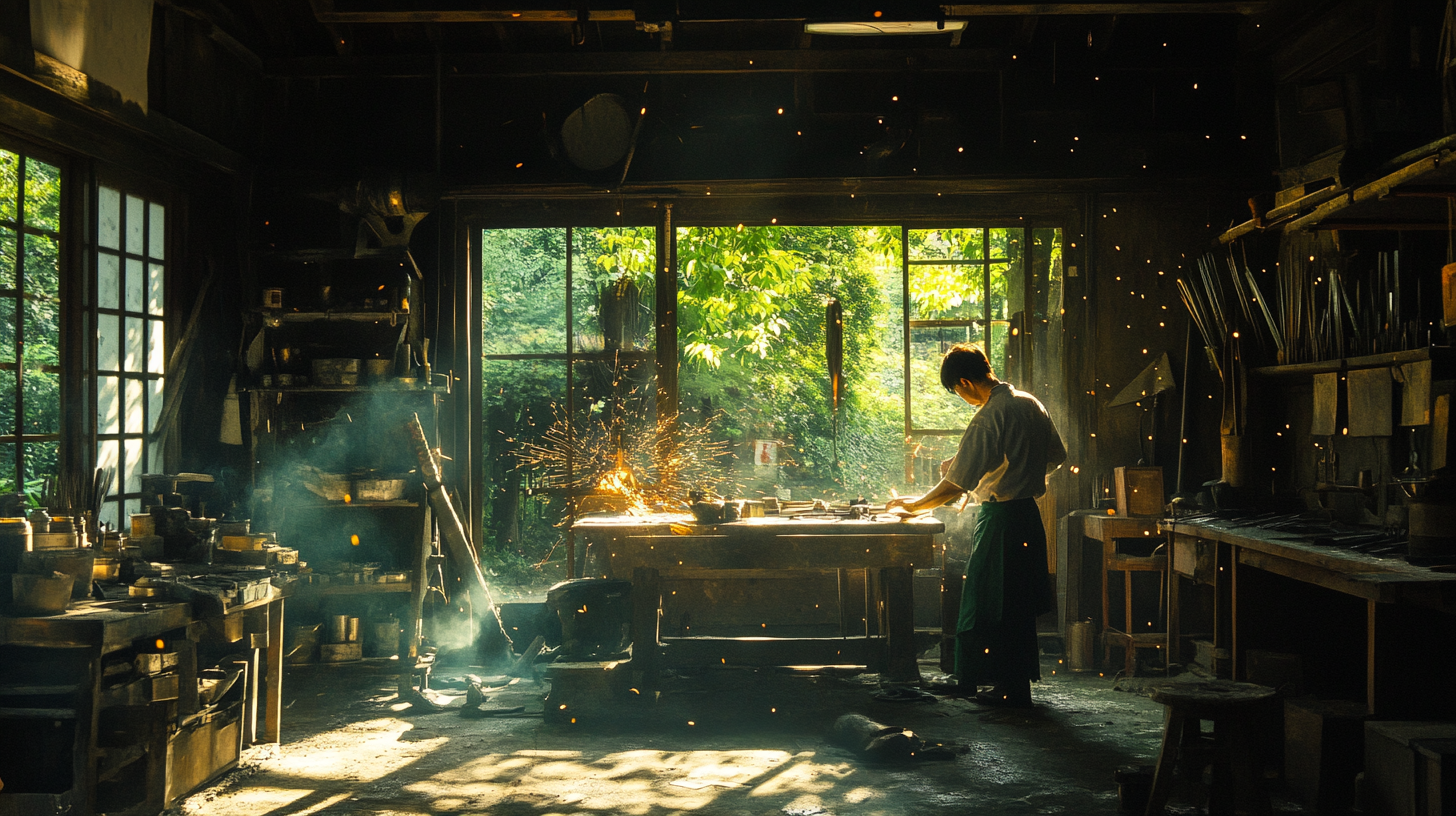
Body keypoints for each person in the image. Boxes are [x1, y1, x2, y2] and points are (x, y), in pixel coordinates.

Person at [886, 343, 1066, 707]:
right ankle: (1006, 685)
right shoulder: (1030, 403)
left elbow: (956, 485)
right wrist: (1014, 468)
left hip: (1002, 520)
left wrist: (914, 506)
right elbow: (1056, 456)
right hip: (1027, 516)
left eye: (956, 392)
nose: (961, 398)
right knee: (1014, 605)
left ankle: (991, 685)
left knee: (987, 602)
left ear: (965, 382)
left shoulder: (988, 416)